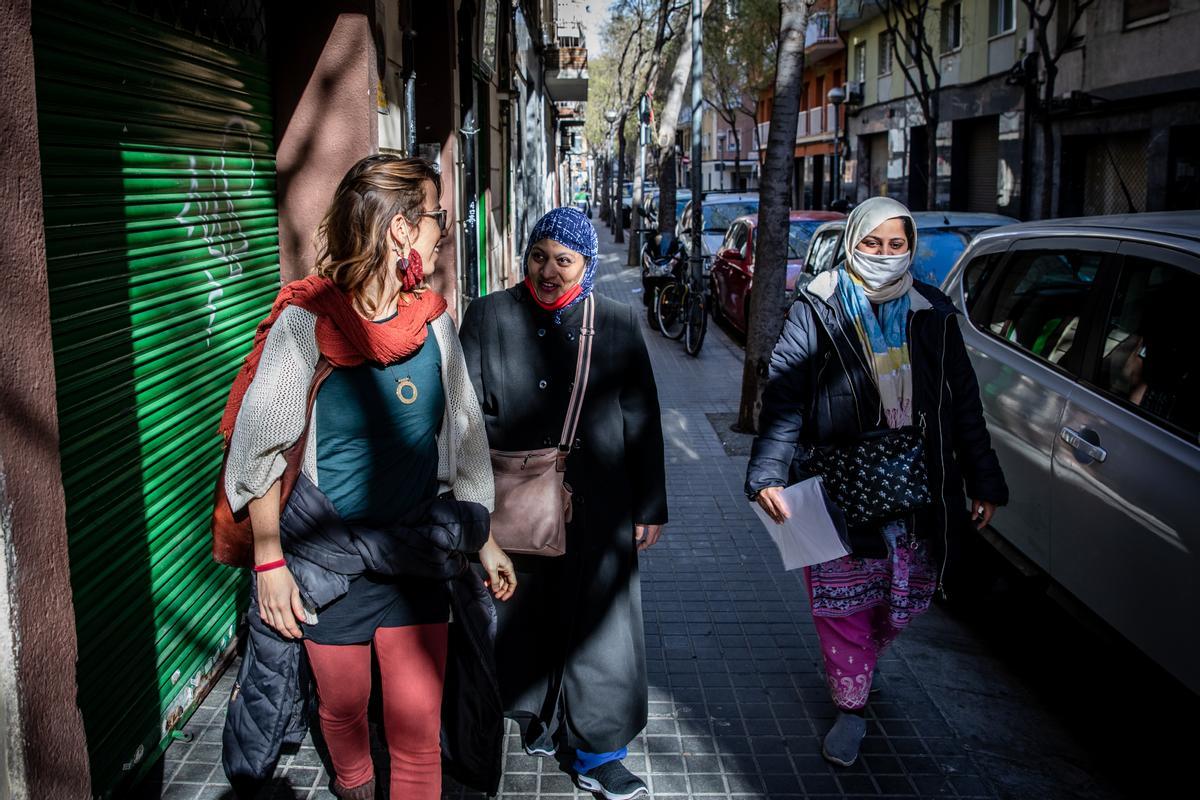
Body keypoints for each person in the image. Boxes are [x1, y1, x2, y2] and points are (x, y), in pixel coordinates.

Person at [220, 155, 516, 800]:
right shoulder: (310, 320)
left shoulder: (434, 319)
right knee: (345, 711)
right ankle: (353, 783)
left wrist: (483, 536)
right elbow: (258, 448)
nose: (444, 229)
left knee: (416, 731)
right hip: (332, 566)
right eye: (436, 216)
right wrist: (269, 562)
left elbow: (464, 434)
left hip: (417, 558)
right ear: (400, 232)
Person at [745, 196, 1008, 768]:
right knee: (841, 599)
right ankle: (851, 704)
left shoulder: (931, 312)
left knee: (907, 595)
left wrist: (983, 480)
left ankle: (858, 660)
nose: (885, 255)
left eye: (897, 245)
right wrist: (767, 471)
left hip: (917, 487)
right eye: (872, 243)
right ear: (851, 243)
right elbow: (786, 394)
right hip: (840, 485)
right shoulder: (816, 306)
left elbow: (964, 405)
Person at [459, 207, 668, 800]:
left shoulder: (619, 323)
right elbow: (466, 417)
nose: (548, 271)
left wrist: (649, 505)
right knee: (525, 614)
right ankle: (539, 718)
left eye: (564, 260)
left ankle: (601, 752)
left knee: (601, 627)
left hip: (599, 505)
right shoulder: (489, 315)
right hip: (517, 502)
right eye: (539, 256)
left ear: (586, 264)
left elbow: (642, 416)